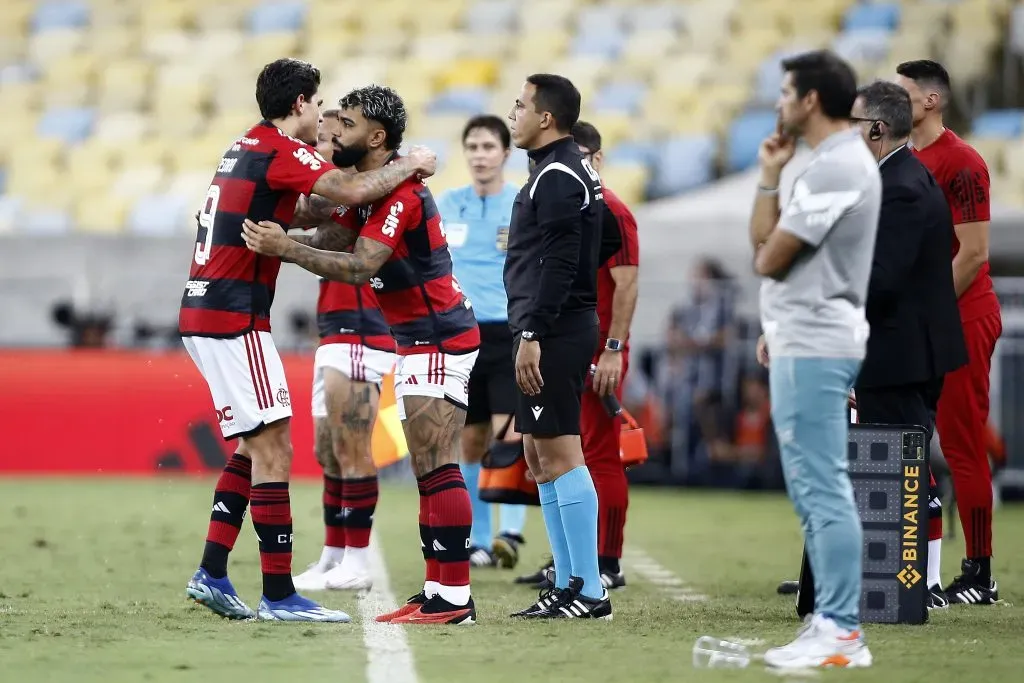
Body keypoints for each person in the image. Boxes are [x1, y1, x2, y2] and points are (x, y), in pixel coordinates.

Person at [179, 59, 435, 623]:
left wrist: (315, 222)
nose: (322, 115)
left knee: (254, 445)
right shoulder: (280, 146)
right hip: (232, 315)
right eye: (319, 104)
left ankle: (213, 571)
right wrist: (410, 165)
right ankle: (278, 594)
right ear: (299, 103)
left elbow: (316, 210)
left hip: (206, 309)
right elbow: (351, 187)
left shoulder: (245, 145)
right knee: (277, 447)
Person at [240, 84, 481, 626]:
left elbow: (360, 265)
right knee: (428, 468)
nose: (334, 132)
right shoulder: (375, 193)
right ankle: (439, 591)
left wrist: (286, 249)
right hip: (420, 339)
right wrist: (292, 229)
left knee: (438, 466)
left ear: (376, 137)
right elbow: (333, 234)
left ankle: (454, 597)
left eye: (344, 124)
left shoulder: (403, 196)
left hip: (440, 338)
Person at [750, 50, 879, 669]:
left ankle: (843, 631)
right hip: (806, 336)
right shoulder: (823, 162)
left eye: (784, 92)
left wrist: (773, 241)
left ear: (809, 100)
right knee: (813, 488)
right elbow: (762, 243)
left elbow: (770, 258)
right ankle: (832, 621)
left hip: (817, 339)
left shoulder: (838, 167)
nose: (777, 104)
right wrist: (771, 175)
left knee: (822, 487)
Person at [849, 81, 967, 608]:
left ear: (876, 128)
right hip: (913, 349)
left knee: (900, 471)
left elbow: (882, 279)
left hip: (898, 355)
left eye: (853, 124)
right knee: (909, 467)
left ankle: (907, 586)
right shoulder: (908, 175)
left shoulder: (897, 186)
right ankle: (919, 582)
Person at [504, 74, 611, 620]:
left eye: (520, 105)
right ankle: (569, 583)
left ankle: (589, 590)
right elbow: (604, 236)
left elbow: (565, 262)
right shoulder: (566, 170)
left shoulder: (559, 176)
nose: (513, 113)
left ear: (546, 118)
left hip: (553, 333)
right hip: (555, 325)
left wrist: (532, 332)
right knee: (538, 454)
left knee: (562, 453)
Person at [896, 59, 1002, 605]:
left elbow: (975, 252)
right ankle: (919, 567)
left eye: (904, 92)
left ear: (932, 100)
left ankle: (979, 573)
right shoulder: (906, 159)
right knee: (909, 439)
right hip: (929, 316)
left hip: (961, 315)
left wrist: (924, 309)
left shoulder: (961, 162)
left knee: (961, 445)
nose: (895, 99)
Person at [292, 110, 397, 593]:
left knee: (352, 447)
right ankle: (334, 556)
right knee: (327, 451)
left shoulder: (368, 190)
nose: (327, 139)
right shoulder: (333, 189)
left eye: (336, 132)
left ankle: (357, 560)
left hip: (362, 326)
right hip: (332, 327)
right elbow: (311, 225)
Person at [436, 115, 527, 570]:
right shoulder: (448, 203)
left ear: (506, 153)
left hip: (509, 332)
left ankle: (510, 533)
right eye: (472, 146)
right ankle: (475, 540)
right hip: (462, 331)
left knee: (508, 434)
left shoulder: (521, 203)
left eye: (488, 146)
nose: (479, 155)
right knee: (469, 441)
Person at [570, 120, 638, 588]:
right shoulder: (574, 208)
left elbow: (627, 284)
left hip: (599, 350)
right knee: (569, 454)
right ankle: (577, 555)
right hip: (570, 345)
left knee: (600, 453)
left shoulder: (613, 210)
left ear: (596, 158)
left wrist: (613, 349)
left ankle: (607, 560)